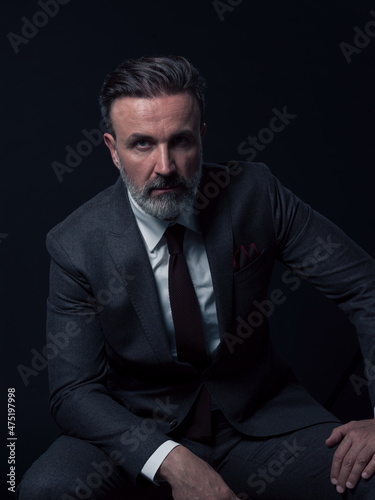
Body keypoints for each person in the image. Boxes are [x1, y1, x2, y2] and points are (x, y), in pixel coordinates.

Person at [17, 55, 375, 500]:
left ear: (201, 136)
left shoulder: (255, 193)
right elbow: (73, 392)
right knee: (46, 490)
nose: (165, 166)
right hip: (135, 428)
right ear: (112, 149)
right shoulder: (76, 244)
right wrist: (169, 458)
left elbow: (365, 286)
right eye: (142, 145)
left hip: (261, 423)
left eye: (180, 142)